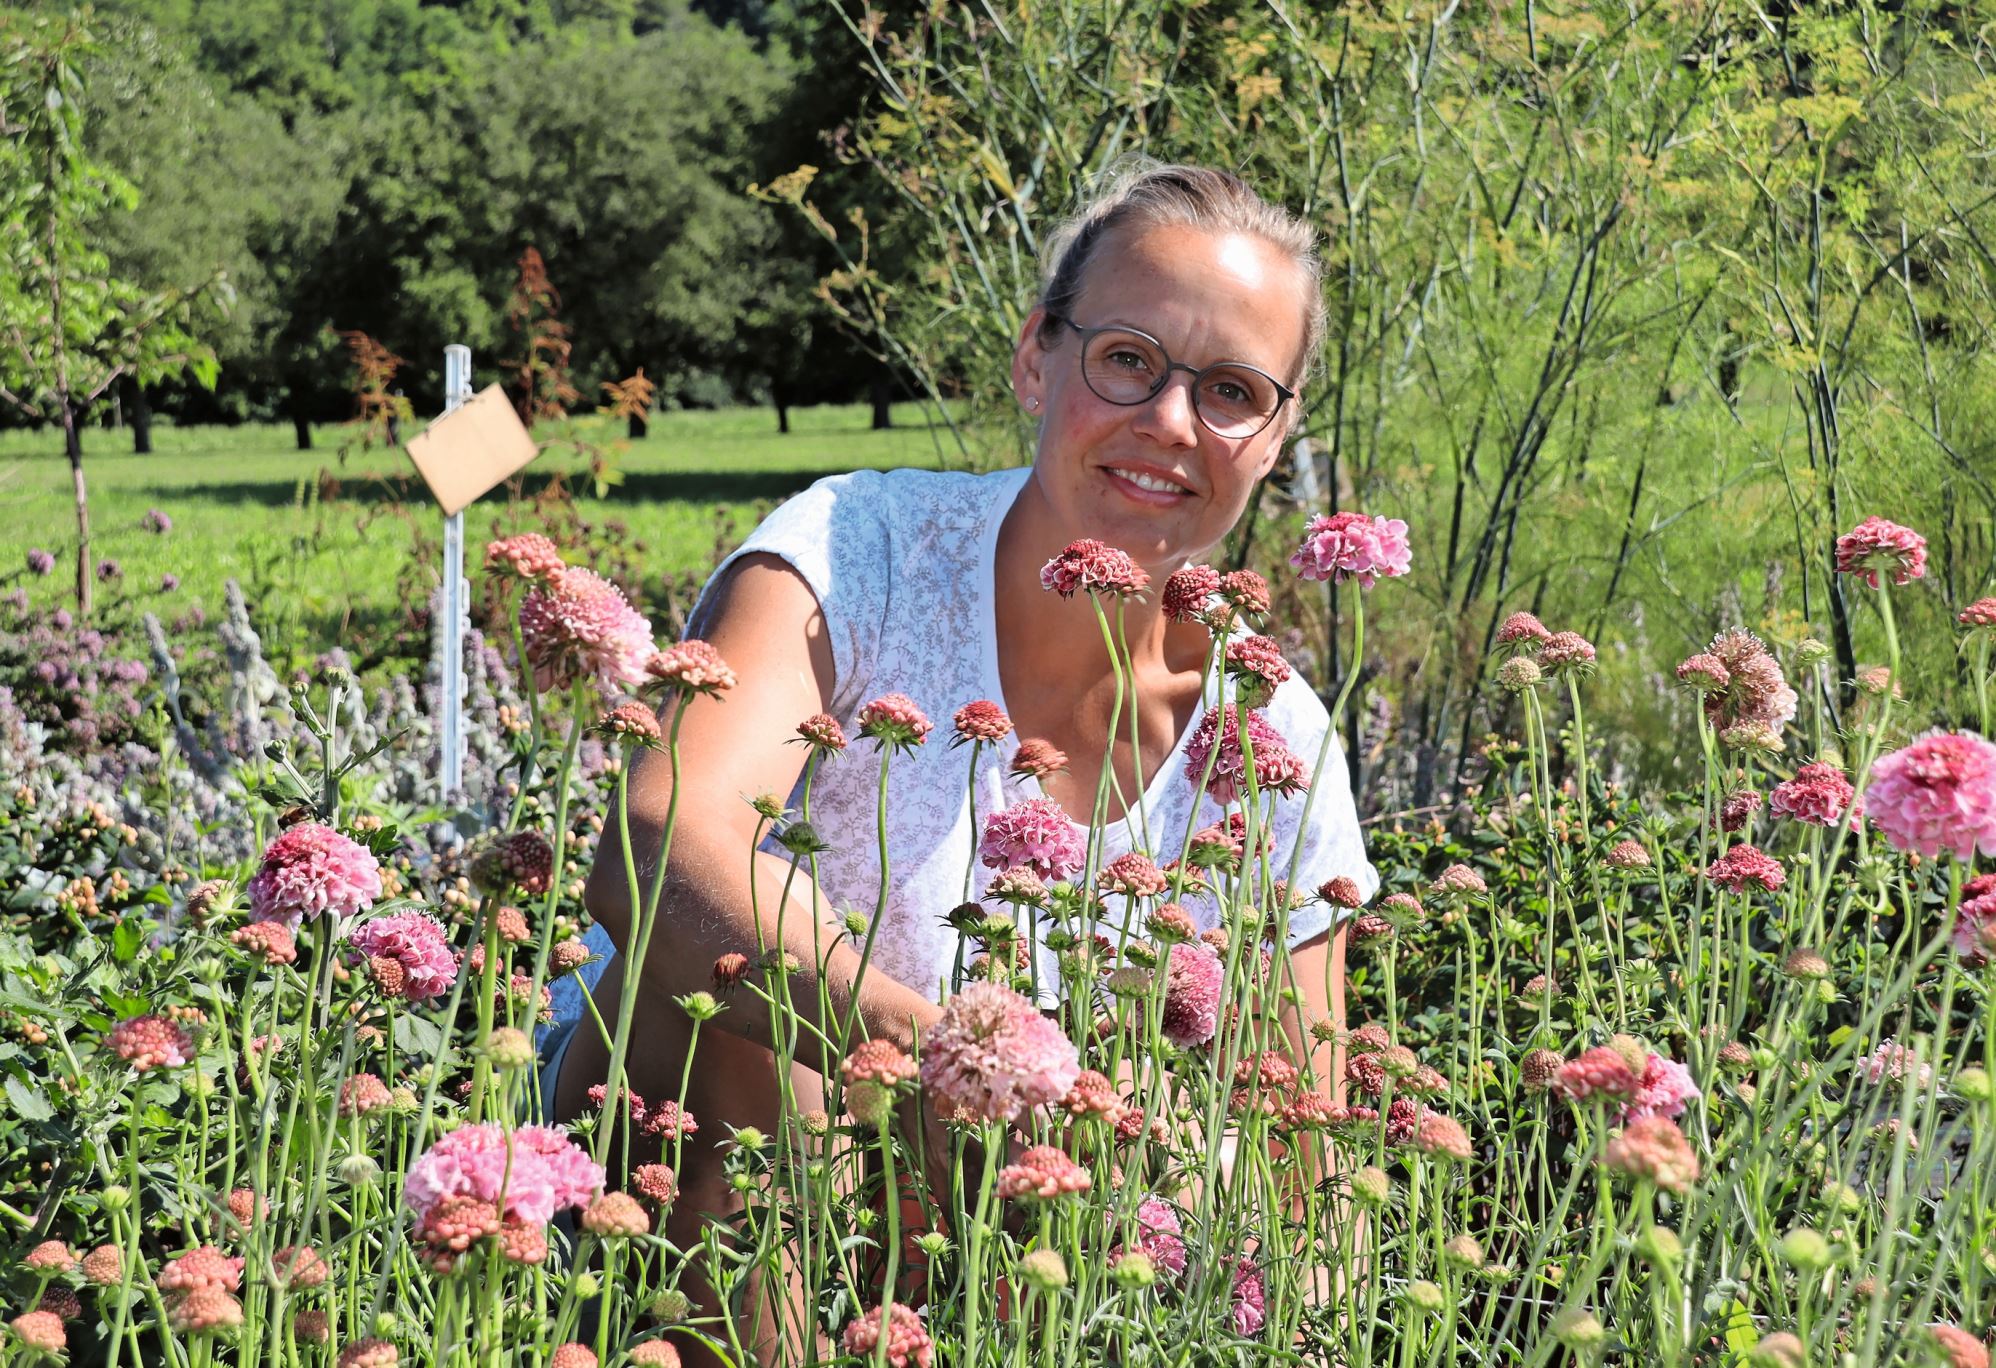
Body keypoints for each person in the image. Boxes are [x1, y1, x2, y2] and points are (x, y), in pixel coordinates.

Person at [544, 158, 1380, 1364]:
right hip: (722, 1166)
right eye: (1128, 360)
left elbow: (1303, 1137)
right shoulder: (857, 548)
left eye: (1234, 390)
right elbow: (656, 842)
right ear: (1036, 356)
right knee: (733, 987)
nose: (1170, 423)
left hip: (1017, 1244)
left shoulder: (1274, 727)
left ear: (1276, 435)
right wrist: (953, 1064)